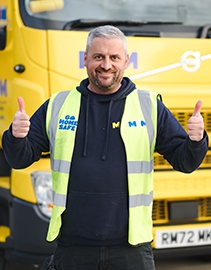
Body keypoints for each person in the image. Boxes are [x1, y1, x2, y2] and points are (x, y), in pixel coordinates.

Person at [2, 25, 208, 270]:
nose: (106, 65)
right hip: (73, 247)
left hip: (131, 249)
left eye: (114, 58)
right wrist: (16, 137)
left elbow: (185, 163)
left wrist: (196, 141)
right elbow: (20, 160)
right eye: (98, 57)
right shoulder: (57, 105)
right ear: (85, 59)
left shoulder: (150, 107)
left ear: (126, 61)